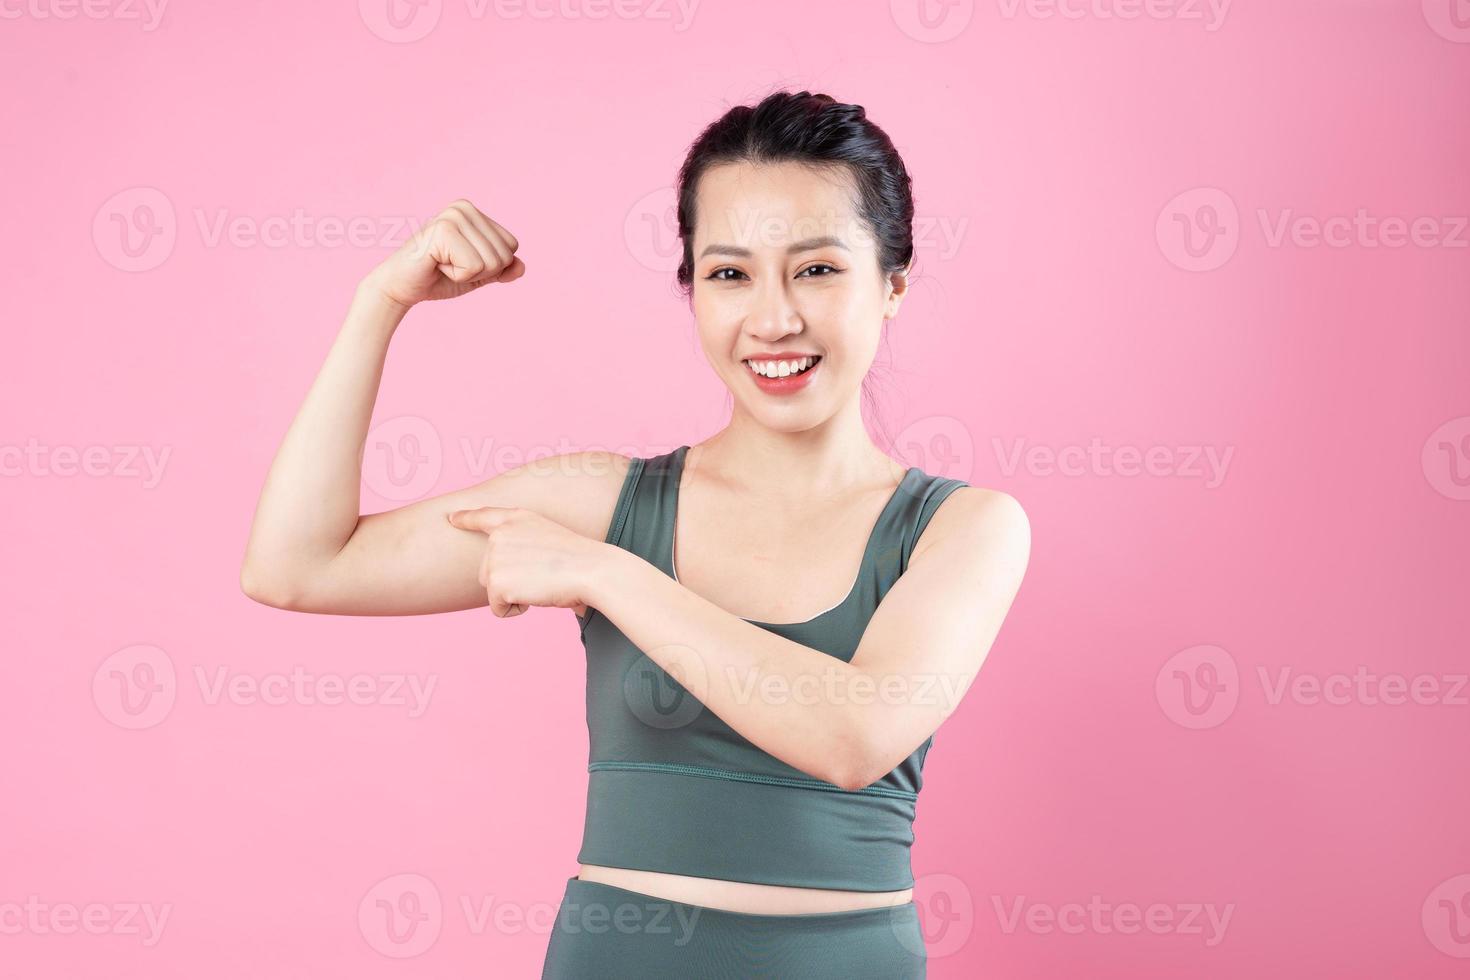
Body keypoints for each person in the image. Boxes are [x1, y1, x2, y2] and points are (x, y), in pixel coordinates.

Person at [241, 89, 1030, 979]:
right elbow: (297, 567)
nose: (772, 319)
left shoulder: (962, 529)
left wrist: (608, 576)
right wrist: (379, 302)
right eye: (730, 274)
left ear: (892, 283)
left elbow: (853, 737)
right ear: (691, 289)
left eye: (816, 269)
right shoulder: (602, 500)